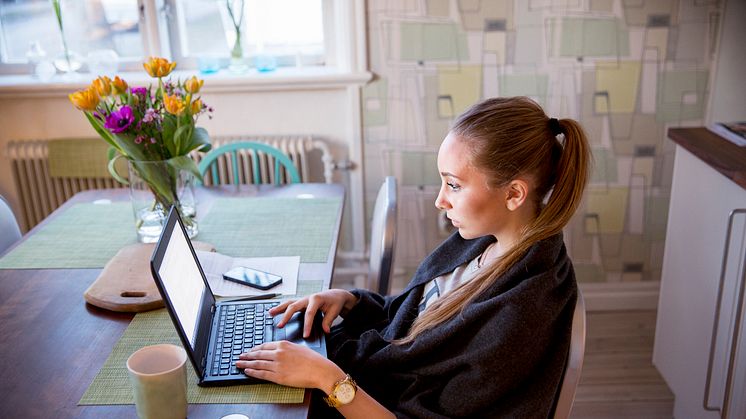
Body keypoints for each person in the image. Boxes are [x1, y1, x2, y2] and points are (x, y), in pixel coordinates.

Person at [236, 96, 591, 418]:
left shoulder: (518, 320)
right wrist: (350, 301)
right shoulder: (486, 241)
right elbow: (415, 317)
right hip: (360, 375)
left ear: (514, 194)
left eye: (453, 185)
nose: (440, 200)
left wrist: (327, 379)